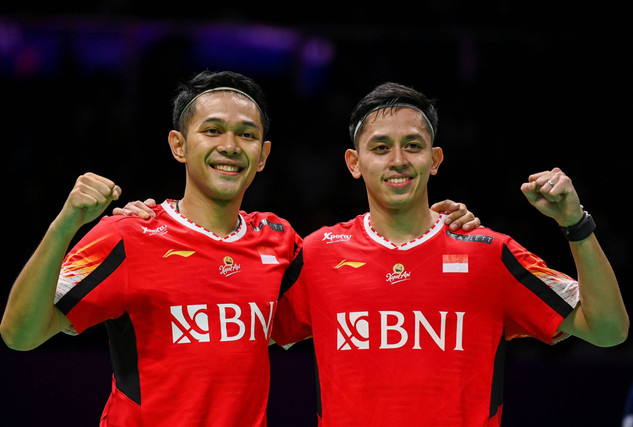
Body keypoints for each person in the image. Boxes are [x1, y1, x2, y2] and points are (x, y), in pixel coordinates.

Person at [0, 71, 479, 426]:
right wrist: (66, 226)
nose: (230, 146)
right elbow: (20, 334)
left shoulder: (280, 242)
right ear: (178, 145)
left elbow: (369, 284)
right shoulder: (129, 235)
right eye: (212, 131)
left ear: (263, 155)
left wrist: (441, 231)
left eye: (246, 135)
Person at [269, 82, 629, 426]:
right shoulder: (319, 254)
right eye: (380, 148)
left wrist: (575, 223)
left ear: (435, 159)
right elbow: (242, 333)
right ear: (354, 162)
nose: (398, 160)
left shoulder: (489, 254)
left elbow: (609, 329)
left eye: (413, 145)